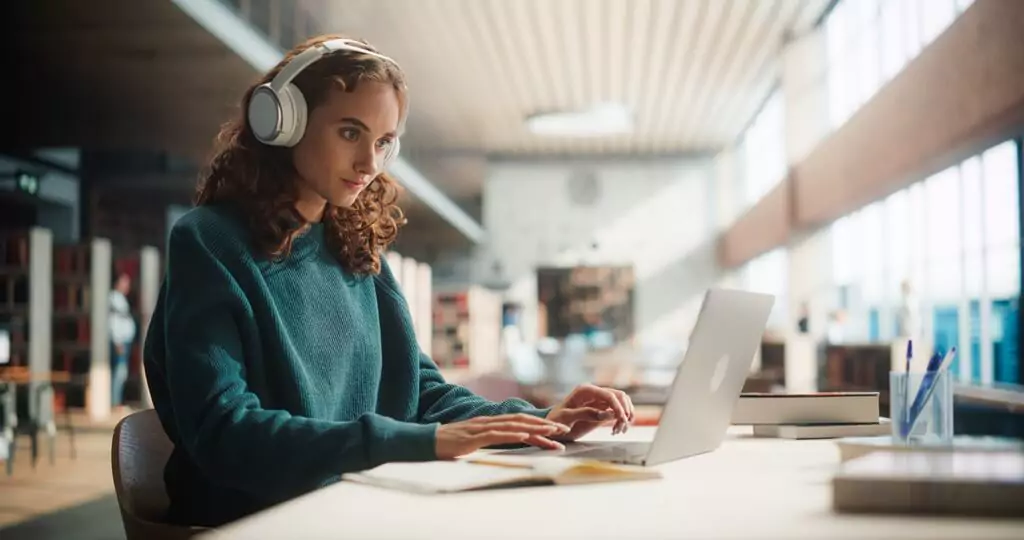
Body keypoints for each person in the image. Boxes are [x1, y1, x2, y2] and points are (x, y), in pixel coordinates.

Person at [143, 34, 635, 528]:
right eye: (351, 133)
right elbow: (225, 433)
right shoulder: (209, 242)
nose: (369, 164)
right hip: (253, 522)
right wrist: (412, 442)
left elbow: (419, 394)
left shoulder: (356, 252)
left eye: (383, 142)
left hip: (354, 508)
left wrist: (536, 422)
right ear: (283, 121)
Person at [108, 272, 136, 409]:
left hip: (125, 341)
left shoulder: (121, 299)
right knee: (119, 371)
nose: (127, 286)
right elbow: (113, 322)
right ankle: (115, 402)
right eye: (125, 282)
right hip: (119, 342)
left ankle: (117, 400)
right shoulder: (113, 298)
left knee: (122, 372)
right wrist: (117, 341)